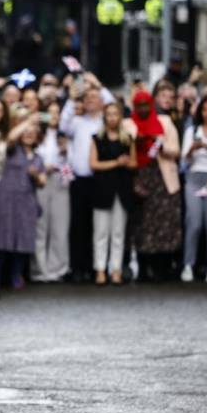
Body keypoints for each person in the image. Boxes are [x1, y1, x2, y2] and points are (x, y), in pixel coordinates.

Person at [60, 83, 115, 283]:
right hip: (80, 179)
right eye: (88, 97)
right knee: (78, 225)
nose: (91, 99)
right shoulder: (76, 122)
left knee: (98, 226)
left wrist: (99, 86)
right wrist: (71, 98)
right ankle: (77, 267)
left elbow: (112, 103)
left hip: (100, 179)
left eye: (95, 97)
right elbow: (63, 125)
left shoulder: (106, 122)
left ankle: (96, 266)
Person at [126, 90, 182, 281]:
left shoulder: (165, 122)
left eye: (145, 104)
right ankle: (143, 267)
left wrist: (159, 146)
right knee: (142, 223)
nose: (142, 108)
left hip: (163, 178)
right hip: (140, 178)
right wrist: (137, 141)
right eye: (139, 105)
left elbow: (176, 150)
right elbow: (125, 145)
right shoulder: (128, 124)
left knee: (165, 222)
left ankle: (163, 267)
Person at [0, 117, 46, 289]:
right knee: (2, 235)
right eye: (26, 133)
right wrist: (28, 121)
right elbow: (11, 138)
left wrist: (36, 175)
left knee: (23, 236)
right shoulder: (12, 150)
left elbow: (42, 182)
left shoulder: (38, 158)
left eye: (32, 133)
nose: (28, 135)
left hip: (26, 199)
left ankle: (16, 274)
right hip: (6, 197)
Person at [88, 103, 134, 285]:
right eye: (109, 114)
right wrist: (116, 162)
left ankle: (115, 269)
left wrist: (126, 162)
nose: (112, 118)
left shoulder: (127, 139)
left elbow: (134, 163)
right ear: (105, 117)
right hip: (101, 189)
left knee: (118, 233)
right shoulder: (97, 139)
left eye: (116, 114)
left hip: (121, 190)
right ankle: (100, 269)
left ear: (120, 117)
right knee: (100, 232)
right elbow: (93, 163)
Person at [180, 95, 207, 283]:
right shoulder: (192, 130)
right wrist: (193, 149)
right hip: (194, 178)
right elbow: (184, 160)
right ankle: (188, 264)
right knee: (194, 222)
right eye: (204, 110)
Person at [33, 102, 70, 282]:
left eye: (58, 113)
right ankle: (40, 268)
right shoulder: (38, 136)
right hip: (40, 180)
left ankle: (58, 268)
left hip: (61, 181)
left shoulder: (67, 136)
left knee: (59, 226)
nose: (54, 117)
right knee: (40, 226)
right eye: (50, 113)